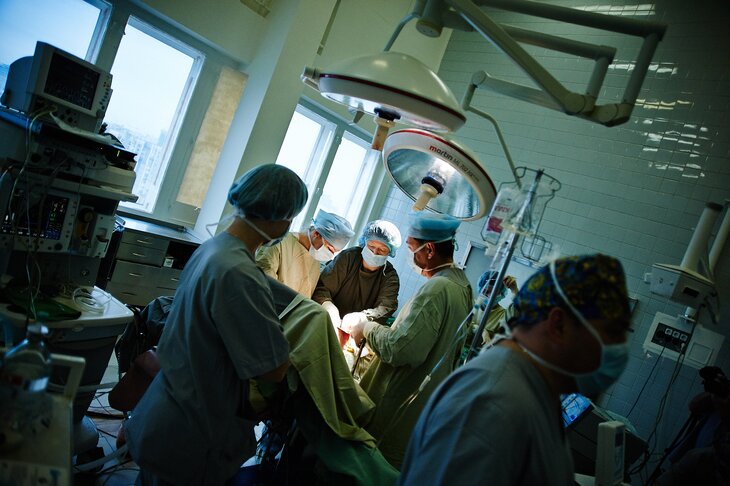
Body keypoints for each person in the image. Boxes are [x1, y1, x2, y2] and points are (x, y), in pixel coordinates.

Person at [124, 164, 308, 486]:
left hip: (166, 409)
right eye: (291, 217)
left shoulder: (213, 248)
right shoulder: (240, 273)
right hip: (192, 432)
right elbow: (273, 368)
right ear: (280, 217)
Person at [398, 254, 632, 485]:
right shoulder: (492, 403)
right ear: (559, 325)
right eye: (612, 334)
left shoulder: (533, 392)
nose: (620, 348)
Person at [348, 211, 472, 469]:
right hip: (421, 410)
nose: (410, 255)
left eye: (411, 247)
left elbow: (401, 349)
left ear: (429, 250)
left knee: (368, 470)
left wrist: (367, 328)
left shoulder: (438, 289)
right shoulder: (462, 286)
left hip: (397, 407)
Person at [312, 220, 401, 348]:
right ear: (364, 242)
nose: (375, 252)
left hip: (357, 334)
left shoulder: (390, 277)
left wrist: (361, 318)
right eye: (371, 246)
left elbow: (386, 307)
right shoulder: (348, 258)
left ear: (390, 252)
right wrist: (328, 306)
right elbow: (322, 287)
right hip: (326, 322)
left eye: (382, 250)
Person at [256, 209, 354, 297]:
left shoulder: (315, 260)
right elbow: (263, 285)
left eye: (334, 252)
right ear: (316, 234)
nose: (330, 255)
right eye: (330, 249)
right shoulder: (279, 244)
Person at [461, 270, 519, 360]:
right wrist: (480, 330)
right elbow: (461, 326)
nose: (489, 296)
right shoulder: (470, 305)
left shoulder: (502, 315)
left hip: (480, 359)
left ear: (502, 293)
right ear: (480, 289)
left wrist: (515, 291)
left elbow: (517, 314)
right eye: (486, 291)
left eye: (494, 293)